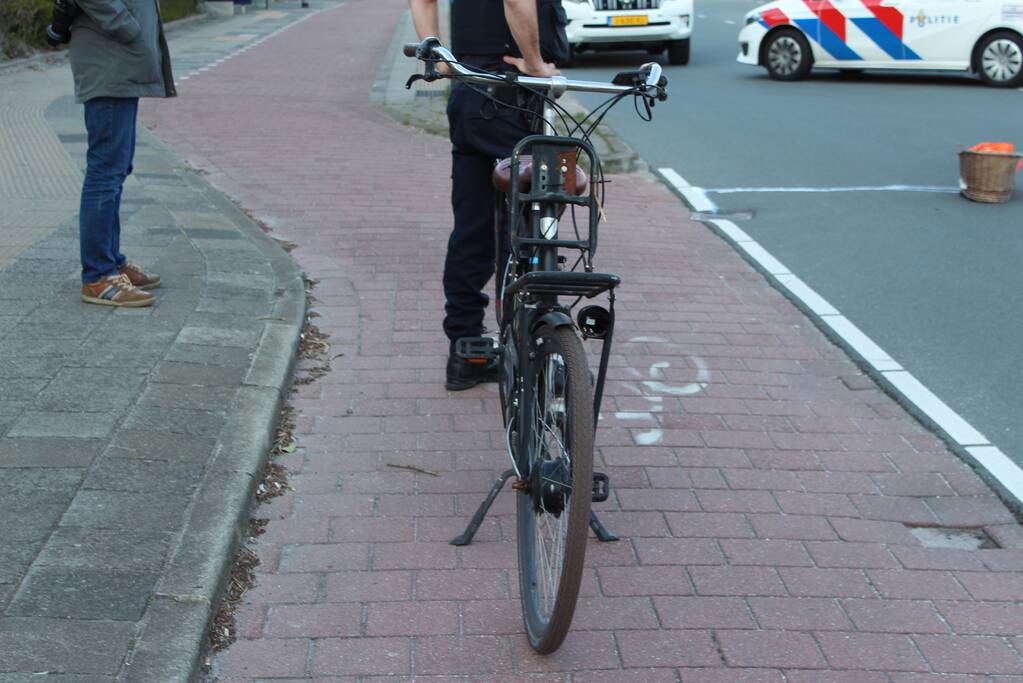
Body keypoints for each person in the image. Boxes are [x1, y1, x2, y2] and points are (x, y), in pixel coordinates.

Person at [408, 0, 570, 390]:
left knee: (473, 225)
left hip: (470, 89)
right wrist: (535, 64)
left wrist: (438, 52)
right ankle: (545, 344)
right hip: (514, 88)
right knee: (546, 204)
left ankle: (467, 349)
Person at [68, 0, 175, 307]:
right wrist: (128, 26)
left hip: (119, 62)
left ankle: (111, 262)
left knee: (115, 169)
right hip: (109, 61)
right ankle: (98, 277)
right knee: (105, 172)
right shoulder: (120, 34)